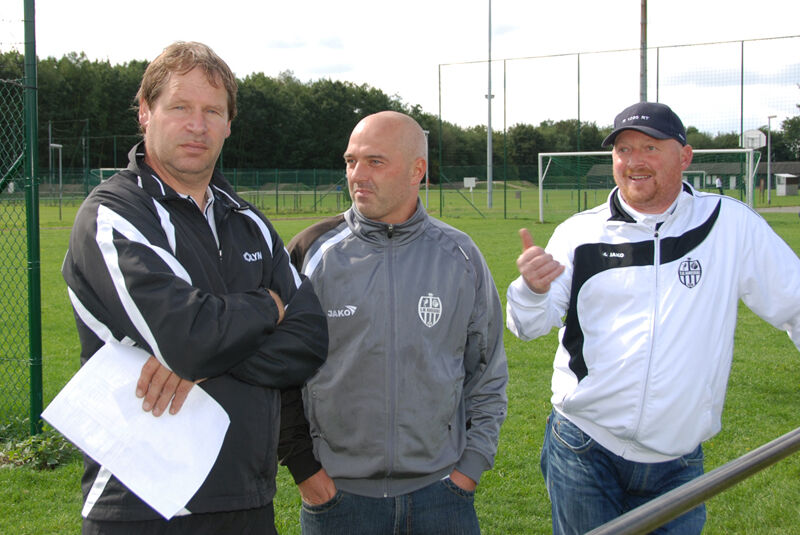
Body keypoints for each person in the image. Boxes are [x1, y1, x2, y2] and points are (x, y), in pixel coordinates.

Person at [61, 41, 327, 534]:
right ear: (145, 113)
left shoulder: (249, 222)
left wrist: (204, 357)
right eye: (180, 107)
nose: (197, 125)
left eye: (213, 111)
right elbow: (190, 338)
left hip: (246, 499)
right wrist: (268, 306)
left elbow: (310, 338)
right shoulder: (113, 215)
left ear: (229, 124)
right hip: (141, 505)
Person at [506, 101, 800, 534]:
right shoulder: (579, 232)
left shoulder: (730, 225)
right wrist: (532, 290)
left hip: (676, 461)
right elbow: (528, 326)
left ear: (684, 156)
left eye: (650, 147)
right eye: (623, 150)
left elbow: (795, 302)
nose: (634, 161)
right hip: (583, 447)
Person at [278, 111, 508, 534]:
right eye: (351, 161)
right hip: (338, 500)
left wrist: (470, 469)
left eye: (375, 162)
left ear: (417, 170)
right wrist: (307, 472)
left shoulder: (460, 256)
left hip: (443, 497)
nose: (357, 175)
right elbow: (276, 373)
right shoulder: (311, 253)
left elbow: (487, 371)